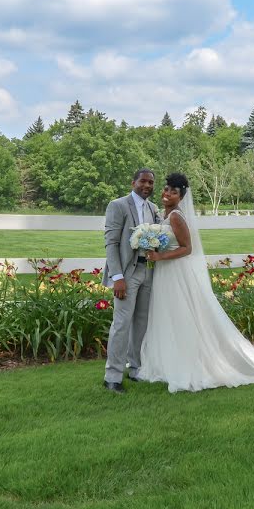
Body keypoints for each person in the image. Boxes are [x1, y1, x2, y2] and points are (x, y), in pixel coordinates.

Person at [137, 172, 254, 393]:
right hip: (165, 273)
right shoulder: (163, 214)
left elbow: (187, 249)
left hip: (175, 272)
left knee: (181, 315)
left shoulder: (176, 216)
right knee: (168, 315)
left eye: (173, 192)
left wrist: (160, 257)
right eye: (166, 189)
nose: (167, 194)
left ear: (181, 197)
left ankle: (191, 363)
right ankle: (168, 361)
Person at [101, 168, 161, 394]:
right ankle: (112, 377)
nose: (147, 185)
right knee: (122, 324)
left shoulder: (153, 208)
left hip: (149, 272)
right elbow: (111, 242)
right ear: (133, 182)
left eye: (151, 182)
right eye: (143, 181)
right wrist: (117, 277)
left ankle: (136, 368)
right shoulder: (118, 205)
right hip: (127, 274)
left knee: (142, 323)